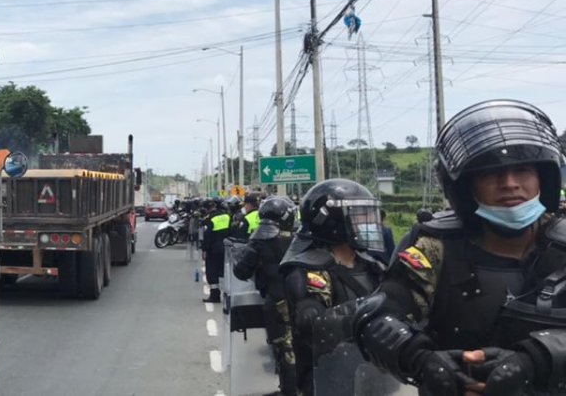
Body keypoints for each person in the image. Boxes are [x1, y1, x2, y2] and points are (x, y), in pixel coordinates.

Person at [355, 100, 566, 395]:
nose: (510, 184)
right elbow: (375, 317)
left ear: (545, 177)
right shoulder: (434, 249)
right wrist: (421, 360)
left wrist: (538, 359)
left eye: (523, 169)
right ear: (465, 186)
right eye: (490, 173)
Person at [281, 179, 386, 395]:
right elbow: (313, 325)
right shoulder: (308, 271)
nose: (367, 221)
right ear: (332, 221)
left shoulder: (373, 266)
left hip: (374, 376)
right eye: (359, 214)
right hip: (329, 380)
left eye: (368, 214)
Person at [233, 195, 299, 396]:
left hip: (277, 302)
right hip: (306, 299)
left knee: (285, 350)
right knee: (305, 346)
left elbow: (241, 271)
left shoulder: (261, 241)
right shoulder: (303, 238)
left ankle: (288, 391)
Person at [201, 198, 233, 303]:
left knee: (212, 272)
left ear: (206, 209)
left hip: (213, 249)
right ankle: (229, 295)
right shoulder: (227, 215)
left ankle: (215, 296)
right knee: (226, 271)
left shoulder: (209, 219)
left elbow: (207, 236)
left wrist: (204, 250)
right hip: (227, 247)